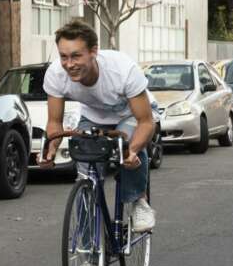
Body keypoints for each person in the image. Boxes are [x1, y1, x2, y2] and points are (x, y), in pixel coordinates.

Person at [41, 19, 156, 232]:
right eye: (63, 56)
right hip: (94, 116)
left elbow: (146, 122)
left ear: (93, 51)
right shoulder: (56, 75)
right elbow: (54, 122)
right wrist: (50, 150)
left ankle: (138, 201)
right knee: (86, 180)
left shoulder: (122, 70)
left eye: (76, 55)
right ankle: (88, 257)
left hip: (131, 113)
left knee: (127, 147)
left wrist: (132, 152)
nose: (69, 64)